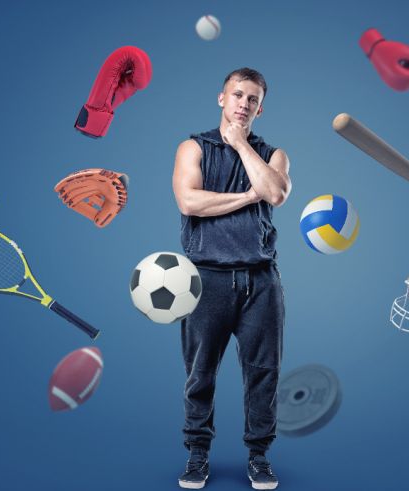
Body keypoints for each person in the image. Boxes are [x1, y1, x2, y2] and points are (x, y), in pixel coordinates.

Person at [172, 67, 291, 490]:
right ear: (222, 98)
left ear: (261, 107)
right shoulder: (193, 147)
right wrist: (245, 197)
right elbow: (190, 201)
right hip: (206, 278)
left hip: (261, 281)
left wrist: (241, 144)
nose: (244, 103)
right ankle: (197, 454)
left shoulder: (273, 155)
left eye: (252, 99)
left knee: (264, 372)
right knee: (199, 372)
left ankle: (259, 456)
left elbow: (274, 192)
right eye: (237, 95)